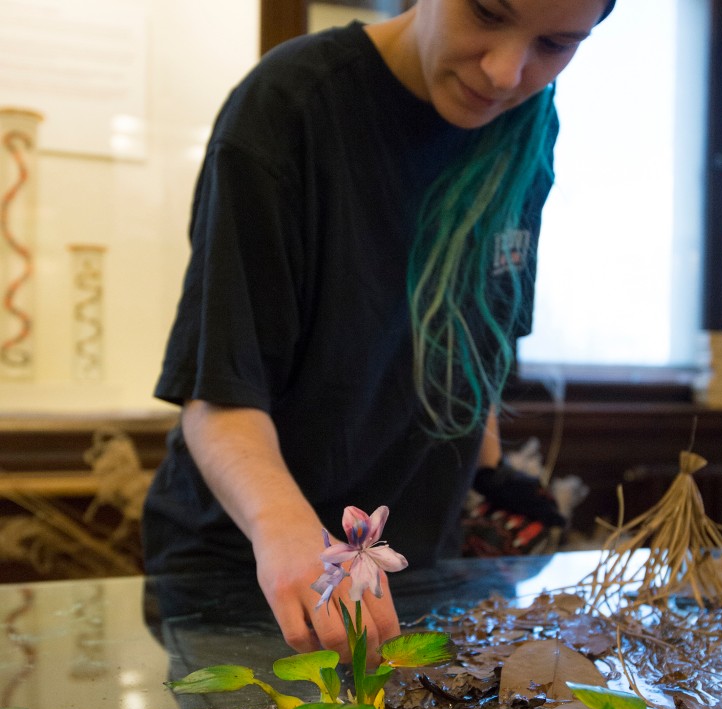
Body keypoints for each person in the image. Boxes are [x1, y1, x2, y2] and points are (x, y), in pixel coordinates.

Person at [142, 0, 616, 664]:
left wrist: (490, 479)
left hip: (416, 566)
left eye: (557, 45)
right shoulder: (292, 106)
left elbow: (470, 338)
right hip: (250, 571)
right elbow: (220, 395)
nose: (507, 72)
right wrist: (290, 534)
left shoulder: (526, 125)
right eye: (485, 13)